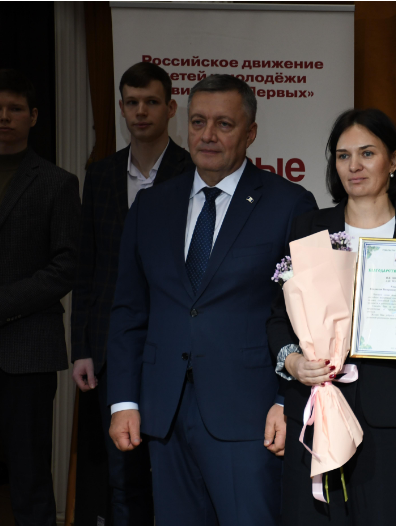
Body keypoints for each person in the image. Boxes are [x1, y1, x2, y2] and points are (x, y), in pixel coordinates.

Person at [106, 74, 317, 525]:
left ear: (250, 132)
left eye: (224, 124)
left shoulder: (289, 204)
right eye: (198, 122)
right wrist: (124, 402)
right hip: (162, 412)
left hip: (250, 414)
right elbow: (129, 312)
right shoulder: (151, 206)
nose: (207, 135)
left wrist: (287, 400)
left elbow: (307, 317)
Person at [267, 108, 396, 525]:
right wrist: (293, 362)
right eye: (343, 156)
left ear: (394, 160)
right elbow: (279, 318)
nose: (354, 166)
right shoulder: (310, 228)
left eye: (367, 153)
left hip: (395, 418)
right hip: (317, 408)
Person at [69, 61, 194, 526]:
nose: (141, 112)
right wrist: (82, 347)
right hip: (110, 348)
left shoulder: (192, 171)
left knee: (173, 471)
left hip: (172, 344)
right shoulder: (100, 175)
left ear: (171, 108)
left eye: (152, 102)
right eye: (132, 103)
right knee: (121, 476)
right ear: (121, 108)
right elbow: (87, 268)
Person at [0, 69, 80, 526]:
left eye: (14, 109)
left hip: (27, 351)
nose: (4, 117)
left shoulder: (56, 182)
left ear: (32, 116)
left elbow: (66, 265)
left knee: (30, 476)